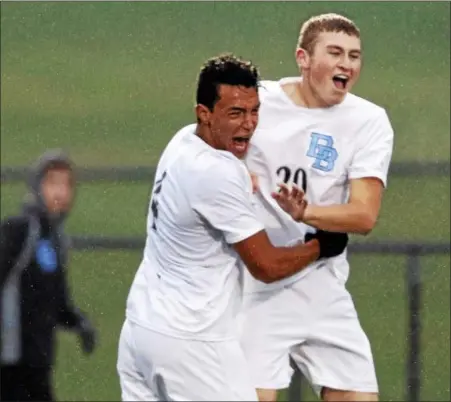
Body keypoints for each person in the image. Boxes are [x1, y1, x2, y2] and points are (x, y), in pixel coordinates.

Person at [116, 53, 349, 401]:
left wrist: (243, 180)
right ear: (204, 114)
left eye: (254, 111)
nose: (248, 124)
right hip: (193, 344)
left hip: (140, 333)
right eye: (235, 113)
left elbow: (213, 186)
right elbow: (266, 266)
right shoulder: (216, 172)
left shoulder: (182, 142)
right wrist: (321, 246)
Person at [240, 13, 395, 402]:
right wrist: (235, 172)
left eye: (355, 56)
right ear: (303, 58)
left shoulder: (368, 121)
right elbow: (207, 144)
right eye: (336, 53)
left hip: (322, 283)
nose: (347, 64)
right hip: (255, 286)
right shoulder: (257, 100)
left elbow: (364, 215)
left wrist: (306, 213)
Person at [0, 150, 97, 401]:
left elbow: (57, 301)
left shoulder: (56, 240)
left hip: (38, 363)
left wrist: (78, 322)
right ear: (36, 186)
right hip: (10, 365)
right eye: (52, 182)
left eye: (67, 184)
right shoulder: (19, 231)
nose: (61, 192)